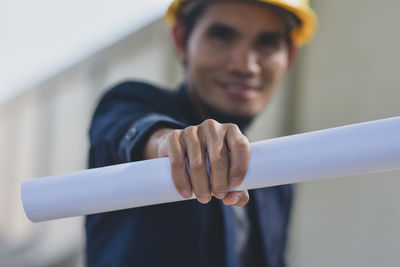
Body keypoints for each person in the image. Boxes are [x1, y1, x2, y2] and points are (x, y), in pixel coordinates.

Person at [86, 0, 317, 266]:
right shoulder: (128, 102)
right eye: (222, 36)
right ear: (182, 40)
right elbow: (130, 130)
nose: (245, 66)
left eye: (267, 43)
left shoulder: (275, 180)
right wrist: (170, 143)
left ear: (289, 57)